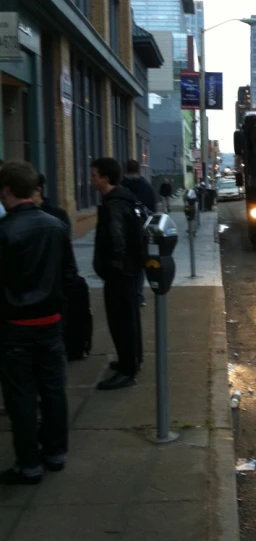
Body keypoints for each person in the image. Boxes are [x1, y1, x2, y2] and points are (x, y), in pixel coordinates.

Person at [0, 160, 77, 484]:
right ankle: (56, 452)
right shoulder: (56, 225)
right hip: (50, 322)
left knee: (21, 397)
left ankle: (29, 464)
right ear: (34, 190)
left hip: (15, 326)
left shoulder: (4, 232)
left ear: (6, 191)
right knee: (53, 390)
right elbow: (69, 276)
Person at [91, 157, 144, 390]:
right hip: (129, 271)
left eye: (94, 175)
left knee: (120, 321)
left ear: (105, 178)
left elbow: (116, 237)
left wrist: (115, 265)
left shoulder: (114, 204)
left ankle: (127, 370)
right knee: (129, 318)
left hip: (120, 274)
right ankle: (132, 359)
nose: (91, 179)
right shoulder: (124, 198)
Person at [121, 159, 156, 307]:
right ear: (139, 170)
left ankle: (127, 294)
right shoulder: (146, 187)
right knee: (141, 263)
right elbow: (152, 209)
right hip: (141, 231)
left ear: (125, 170)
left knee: (125, 263)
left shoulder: (120, 187)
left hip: (124, 231)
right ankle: (139, 296)